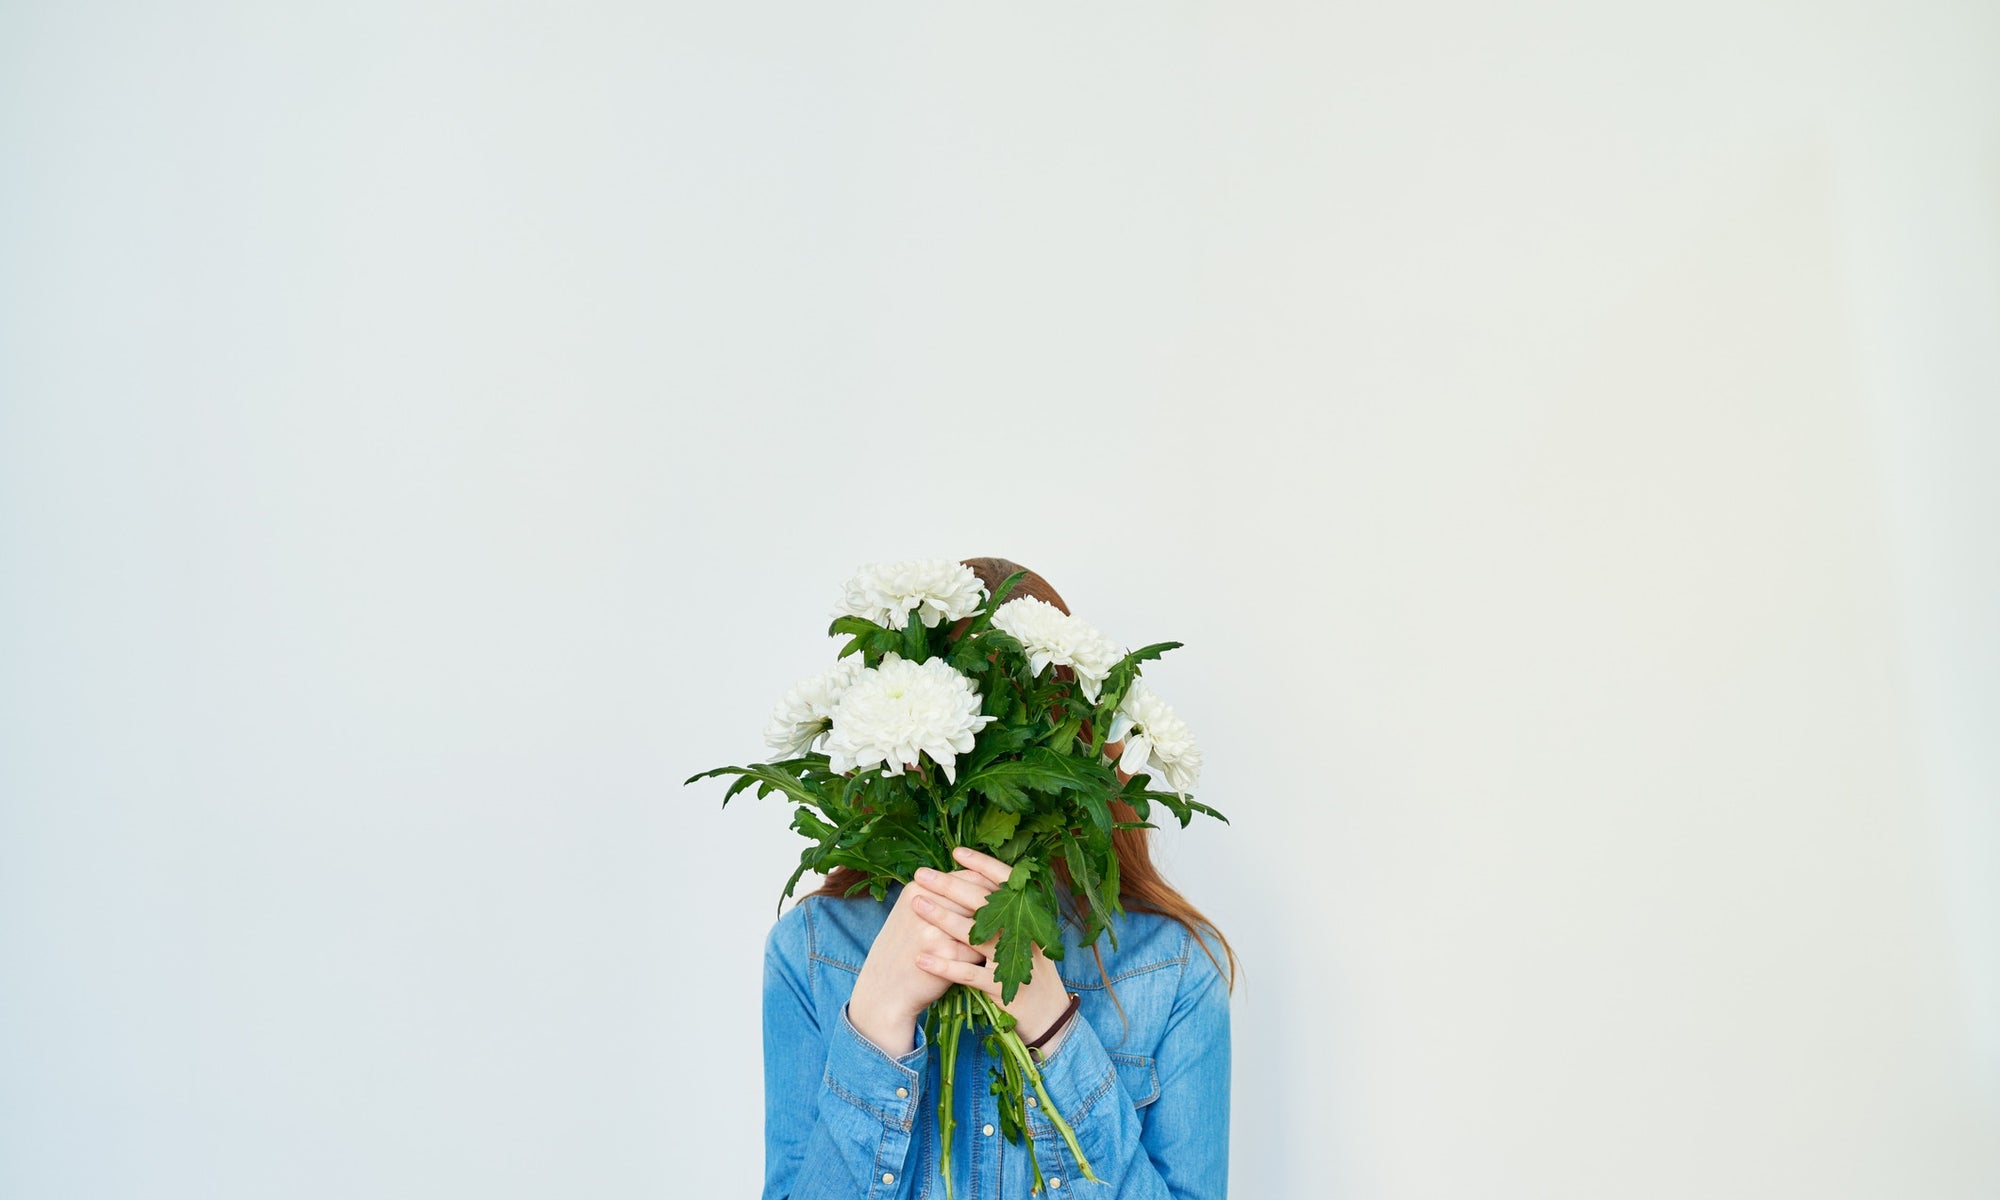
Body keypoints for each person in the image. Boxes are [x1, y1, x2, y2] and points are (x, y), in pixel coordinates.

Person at [760, 558, 1239, 1200]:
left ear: (1074, 744)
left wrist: (1053, 1029)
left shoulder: (1174, 969)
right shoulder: (811, 950)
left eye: (1019, 732)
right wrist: (873, 1022)